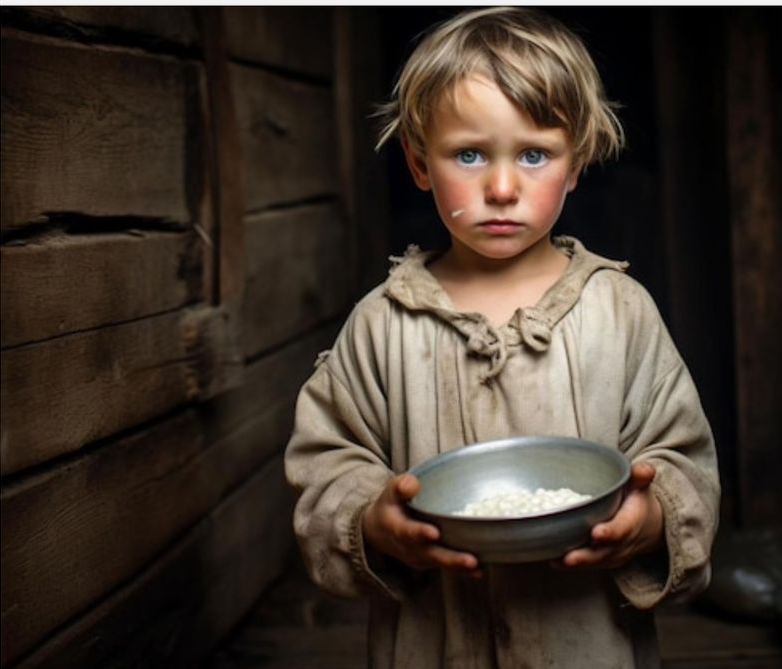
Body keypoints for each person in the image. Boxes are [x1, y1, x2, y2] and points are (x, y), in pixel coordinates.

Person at [285, 7, 720, 668]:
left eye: (534, 155)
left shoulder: (621, 313)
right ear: (419, 162)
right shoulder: (382, 324)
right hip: (433, 642)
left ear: (575, 164)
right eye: (469, 154)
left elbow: (682, 455)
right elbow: (327, 461)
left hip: (587, 643)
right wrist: (373, 521)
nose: (502, 187)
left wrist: (652, 517)